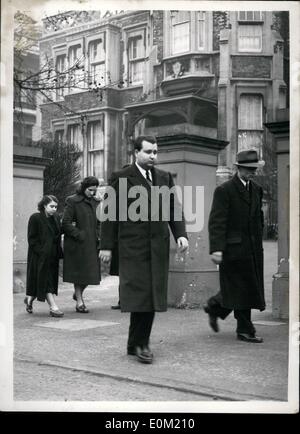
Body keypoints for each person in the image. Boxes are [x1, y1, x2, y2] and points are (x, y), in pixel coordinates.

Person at [100, 135, 188, 363]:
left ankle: (134, 343)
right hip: (133, 248)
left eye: (155, 152)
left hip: (157, 247)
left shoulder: (164, 177)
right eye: (148, 152)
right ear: (136, 153)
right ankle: (142, 344)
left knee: (150, 296)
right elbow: (109, 215)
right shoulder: (121, 178)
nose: (153, 156)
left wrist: (180, 235)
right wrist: (106, 247)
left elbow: (173, 209)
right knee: (141, 296)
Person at [203, 149, 266, 343]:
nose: (251, 172)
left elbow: (258, 219)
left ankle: (214, 307)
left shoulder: (256, 189)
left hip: (253, 249)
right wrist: (216, 248)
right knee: (241, 288)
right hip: (232, 250)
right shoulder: (225, 190)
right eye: (248, 169)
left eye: (253, 169)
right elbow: (217, 222)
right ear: (238, 168)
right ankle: (245, 330)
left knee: (241, 288)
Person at [62, 176, 101, 313]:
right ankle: (79, 302)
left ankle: (77, 294)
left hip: (93, 244)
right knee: (79, 274)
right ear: (84, 188)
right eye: (90, 190)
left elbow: (100, 222)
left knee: (92, 275)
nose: (92, 193)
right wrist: (80, 234)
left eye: (94, 190)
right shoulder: (72, 201)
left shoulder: (97, 202)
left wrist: (99, 236)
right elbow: (65, 223)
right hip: (77, 244)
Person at [24, 195, 64, 317]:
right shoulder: (35, 218)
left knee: (45, 281)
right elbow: (32, 239)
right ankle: (53, 307)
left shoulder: (56, 218)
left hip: (52, 256)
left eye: (56, 207)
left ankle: (29, 300)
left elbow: (58, 234)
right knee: (45, 281)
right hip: (39, 257)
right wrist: (41, 252)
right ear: (44, 206)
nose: (54, 209)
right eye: (51, 206)